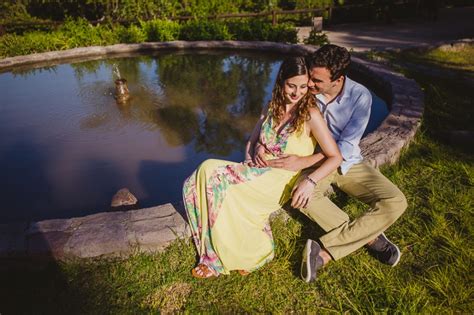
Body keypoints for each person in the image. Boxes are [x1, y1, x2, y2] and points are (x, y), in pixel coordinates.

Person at [182, 56, 342, 278]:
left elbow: (334, 155)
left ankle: (225, 258)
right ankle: (216, 251)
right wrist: (254, 152)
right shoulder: (271, 107)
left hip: (280, 180)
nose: (297, 93)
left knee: (214, 174)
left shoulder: (310, 115)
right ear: (281, 82)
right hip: (257, 171)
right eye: (291, 86)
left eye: (303, 87)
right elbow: (251, 141)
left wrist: (306, 170)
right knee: (206, 170)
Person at [266, 45, 408, 282]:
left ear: (338, 79)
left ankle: (323, 253)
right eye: (310, 77)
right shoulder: (305, 90)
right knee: (303, 198)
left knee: (397, 201)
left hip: (348, 163)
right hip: (316, 165)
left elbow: (344, 148)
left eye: (317, 81)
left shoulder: (360, 97)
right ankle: (371, 238)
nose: (310, 84)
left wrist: (308, 169)